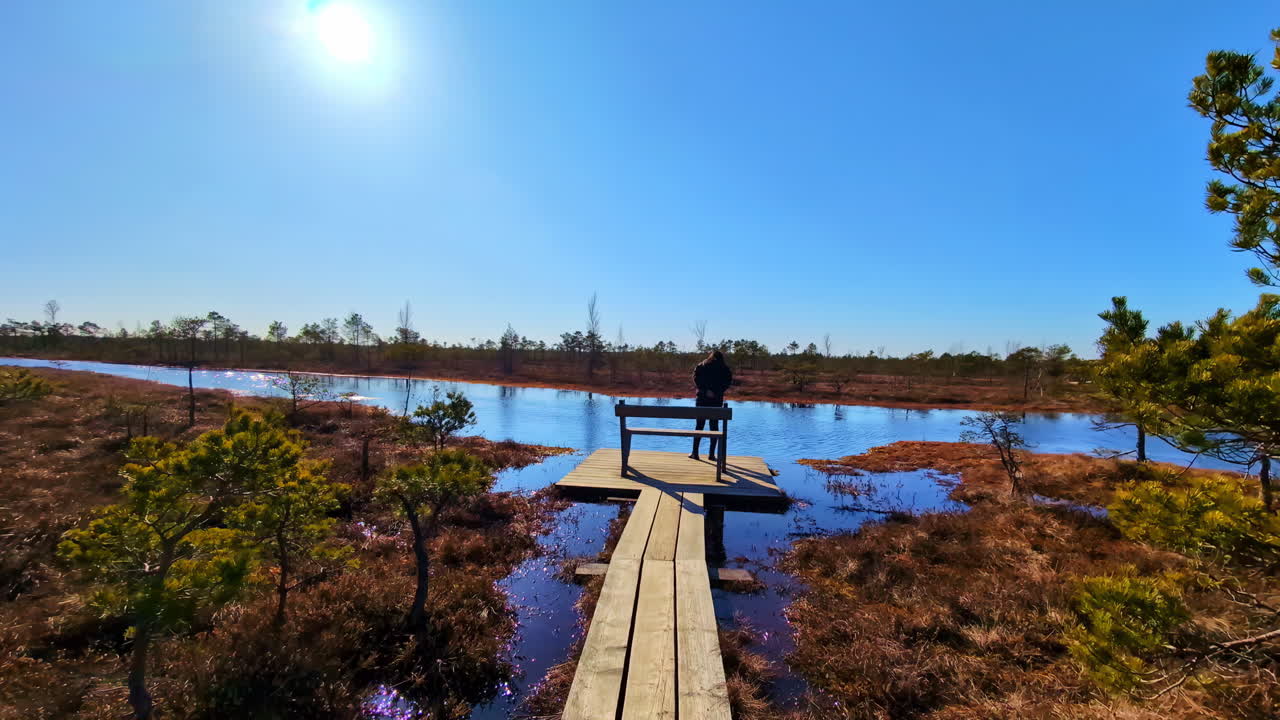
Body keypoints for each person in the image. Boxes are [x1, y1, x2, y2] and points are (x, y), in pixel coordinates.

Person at [690, 349, 733, 460]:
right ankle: (711, 455)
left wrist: (705, 391)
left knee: (699, 426)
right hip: (716, 400)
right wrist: (716, 393)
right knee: (714, 426)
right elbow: (728, 382)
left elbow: (696, 378)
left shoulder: (702, 365)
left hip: (702, 399)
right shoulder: (724, 369)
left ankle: (695, 453)